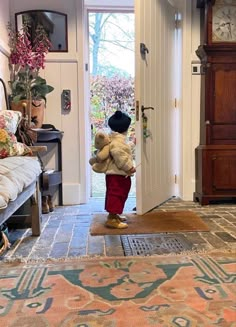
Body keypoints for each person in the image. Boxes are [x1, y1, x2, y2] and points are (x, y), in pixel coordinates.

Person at [105, 110, 136, 229]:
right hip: (117, 174)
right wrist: (129, 167)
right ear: (125, 128)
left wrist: (133, 143)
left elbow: (125, 149)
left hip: (118, 174)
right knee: (116, 194)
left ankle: (114, 215)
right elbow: (120, 156)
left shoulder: (116, 139)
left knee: (120, 193)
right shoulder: (117, 142)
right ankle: (112, 219)